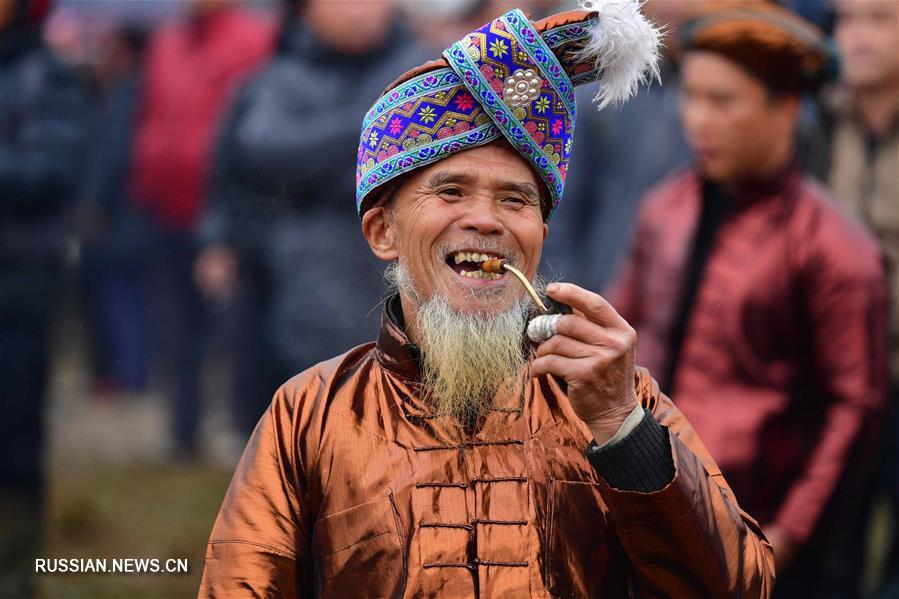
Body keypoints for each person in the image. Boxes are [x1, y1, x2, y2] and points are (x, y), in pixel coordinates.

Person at [199, 4, 773, 596]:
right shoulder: (309, 417)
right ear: (383, 233)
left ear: (540, 239)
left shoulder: (612, 396)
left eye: (516, 201)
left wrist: (622, 429)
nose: (485, 220)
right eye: (450, 190)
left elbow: (741, 587)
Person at [608, 2, 887, 595]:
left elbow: (854, 408)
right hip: (649, 506)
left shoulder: (834, 246)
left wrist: (787, 535)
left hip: (759, 526)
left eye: (723, 101)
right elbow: (620, 332)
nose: (697, 120)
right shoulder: (664, 210)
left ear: (785, 109)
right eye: (693, 95)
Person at [195, 0, 421, 440]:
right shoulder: (274, 80)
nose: (359, 10)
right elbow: (256, 151)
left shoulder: (424, 69)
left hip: (403, 265)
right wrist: (375, 128)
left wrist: (317, 155)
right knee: (303, 414)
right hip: (295, 270)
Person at [128, 0, 274, 456]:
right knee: (176, 323)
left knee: (235, 326)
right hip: (167, 208)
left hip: (226, 212)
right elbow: (151, 112)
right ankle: (183, 428)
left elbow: (252, 128)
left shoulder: (254, 38)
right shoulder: (167, 41)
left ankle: (244, 429)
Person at [0, 0, 89, 595]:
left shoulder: (48, 74)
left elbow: (50, 172)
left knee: (13, 426)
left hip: (18, 280)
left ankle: (19, 562)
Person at [828, 0, 899, 593]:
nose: (860, 37)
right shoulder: (819, 121)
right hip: (833, 372)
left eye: (880, 18)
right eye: (848, 20)